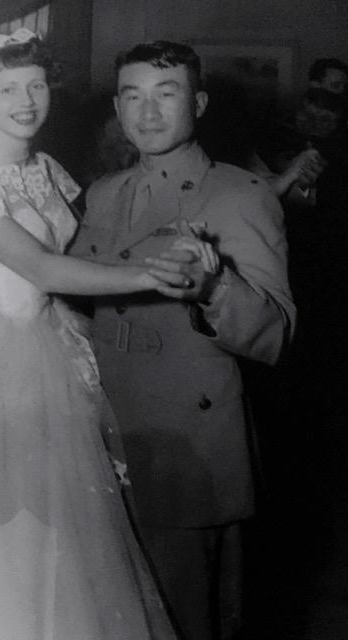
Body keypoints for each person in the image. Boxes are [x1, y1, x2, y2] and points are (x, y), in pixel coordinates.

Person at [0, 29, 194, 639]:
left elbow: (84, 250)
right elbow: (42, 268)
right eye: (8, 89)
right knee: (2, 521)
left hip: (57, 341)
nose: (26, 100)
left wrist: (167, 245)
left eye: (37, 85)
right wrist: (147, 275)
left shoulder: (45, 167)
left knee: (71, 523)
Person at [70, 40, 296, 640]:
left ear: (197, 103)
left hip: (185, 450)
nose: (147, 114)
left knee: (185, 618)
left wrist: (212, 287)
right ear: (117, 110)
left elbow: (278, 334)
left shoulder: (239, 195)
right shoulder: (101, 194)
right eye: (133, 97)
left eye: (166, 95)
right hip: (102, 437)